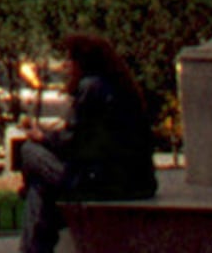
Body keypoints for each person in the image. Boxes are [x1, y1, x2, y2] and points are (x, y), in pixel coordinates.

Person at [14, 34, 158, 253]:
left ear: (83, 62)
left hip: (104, 180)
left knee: (29, 151)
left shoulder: (92, 87)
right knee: (41, 188)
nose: (65, 66)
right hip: (129, 179)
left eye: (69, 60)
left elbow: (74, 142)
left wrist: (43, 137)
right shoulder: (115, 86)